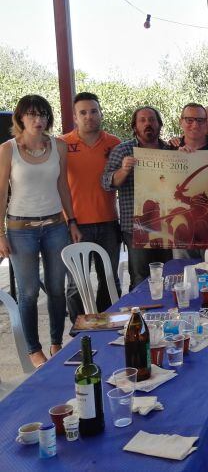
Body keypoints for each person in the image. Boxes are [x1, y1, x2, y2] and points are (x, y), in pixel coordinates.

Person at [0, 95, 81, 368]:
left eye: (44, 114)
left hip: (55, 225)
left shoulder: (59, 146)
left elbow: (63, 187)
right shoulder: (7, 149)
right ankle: (34, 350)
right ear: (20, 118)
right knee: (29, 292)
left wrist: (72, 221)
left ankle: (56, 342)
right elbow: (1, 194)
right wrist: (0, 234)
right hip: (20, 228)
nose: (39, 120)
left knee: (57, 287)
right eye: (33, 114)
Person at [60, 92, 122, 323]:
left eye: (93, 111)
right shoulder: (62, 144)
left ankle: (105, 326)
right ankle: (80, 332)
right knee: (77, 283)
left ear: (101, 113)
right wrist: (69, 220)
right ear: (75, 117)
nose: (89, 117)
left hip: (108, 222)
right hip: (75, 224)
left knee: (109, 280)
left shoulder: (114, 143)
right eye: (83, 112)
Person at [102, 106, 172, 290]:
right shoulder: (123, 150)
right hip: (135, 227)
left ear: (159, 125)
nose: (148, 123)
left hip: (166, 224)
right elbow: (106, 182)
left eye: (152, 119)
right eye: (142, 120)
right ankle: (139, 316)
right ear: (135, 126)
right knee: (140, 277)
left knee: (168, 275)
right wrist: (123, 170)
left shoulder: (171, 150)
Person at [171, 103, 208, 255]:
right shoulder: (170, 151)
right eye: (189, 120)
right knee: (183, 272)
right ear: (181, 121)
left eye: (200, 120)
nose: (195, 124)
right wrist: (176, 159)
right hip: (182, 224)